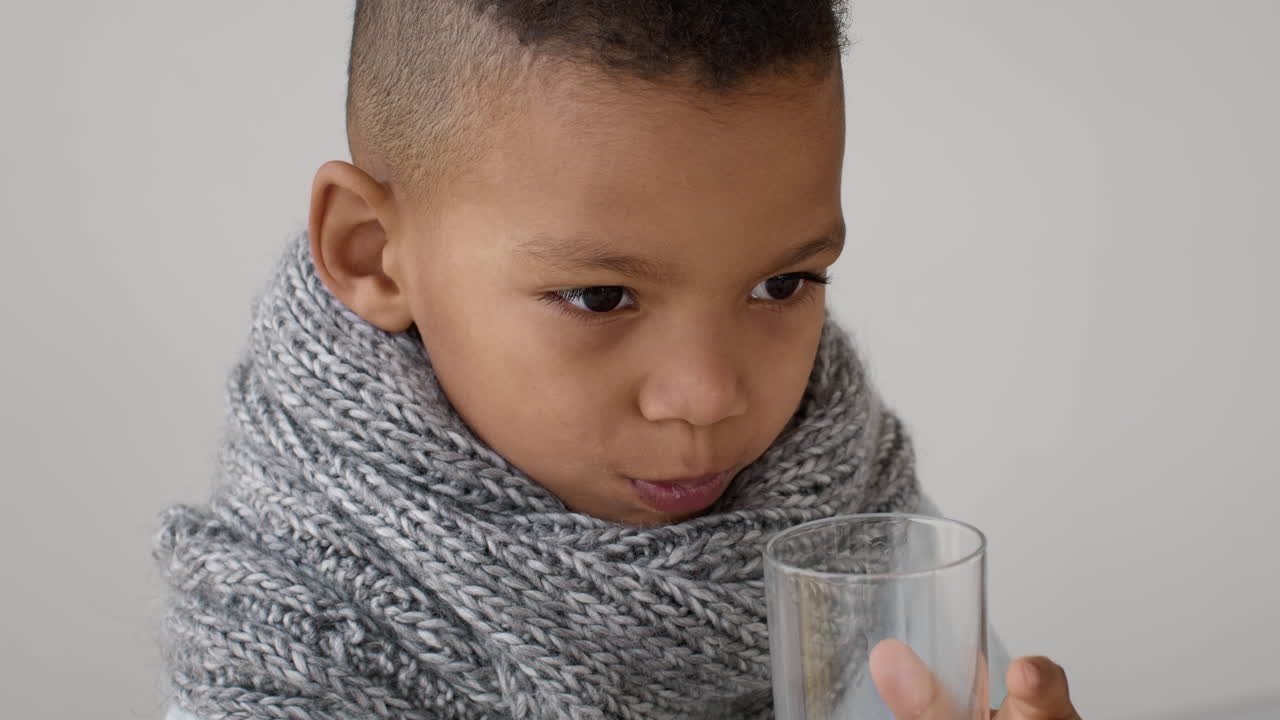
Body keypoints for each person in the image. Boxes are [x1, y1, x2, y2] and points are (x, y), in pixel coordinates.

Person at [153, 1, 1081, 718]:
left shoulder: (864, 533)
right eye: (600, 298)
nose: (708, 398)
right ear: (370, 253)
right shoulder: (291, 662)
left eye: (783, 285)